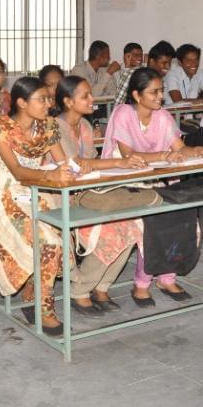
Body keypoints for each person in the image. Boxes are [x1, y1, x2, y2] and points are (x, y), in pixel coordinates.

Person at [0, 77, 78, 335]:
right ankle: (43, 307)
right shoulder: (0, 126)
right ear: (21, 103)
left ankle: (32, 292)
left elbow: (63, 162)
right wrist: (51, 176)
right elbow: (15, 170)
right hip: (1, 193)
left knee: (61, 233)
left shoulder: (47, 126)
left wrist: (75, 171)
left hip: (33, 190)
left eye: (49, 98)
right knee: (47, 242)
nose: (48, 104)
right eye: (42, 99)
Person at [105, 68, 203, 305]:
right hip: (126, 179)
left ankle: (167, 276)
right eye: (153, 92)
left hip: (157, 176)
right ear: (136, 95)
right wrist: (165, 155)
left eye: (161, 91)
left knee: (183, 214)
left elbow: (177, 148)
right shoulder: (123, 113)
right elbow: (129, 155)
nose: (160, 96)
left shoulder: (163, 116)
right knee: (152, 222)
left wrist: (194, 151)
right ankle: (141, 282)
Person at [49, 77, 147, 317]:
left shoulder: (83, 125)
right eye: (85, 96)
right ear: (68, 102)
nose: (92, 100)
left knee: (131, 222)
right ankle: (81, 289)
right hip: (59, 196)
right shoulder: (53, 126)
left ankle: (101, 286)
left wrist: (116, 168)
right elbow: (75, 164)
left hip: (85, 192)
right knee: (110, 231)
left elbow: (91, 162)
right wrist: (118, 162)